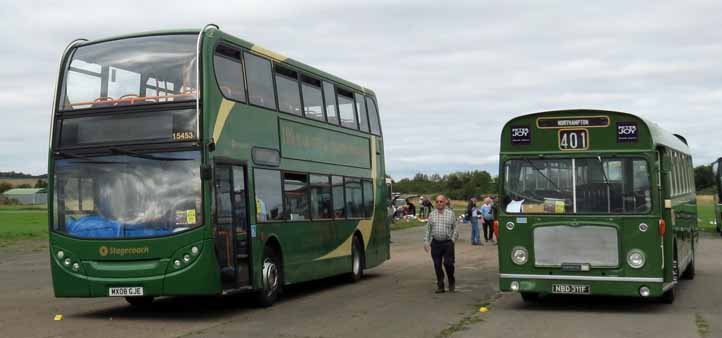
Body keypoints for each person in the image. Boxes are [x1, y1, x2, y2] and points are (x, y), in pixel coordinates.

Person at [424, 195, 458, 293]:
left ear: (445, 202)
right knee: (437, 265)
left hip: (447, 243)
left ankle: (451, 280)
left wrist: (452, 240)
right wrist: (426, 242)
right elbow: (428, 229)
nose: (439, 203)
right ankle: (440, 286)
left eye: (441, 201)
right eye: (437, 202)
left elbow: (455, 228)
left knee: (448, 264)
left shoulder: (450, 214)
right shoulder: (432, 214)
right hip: (435, 243)